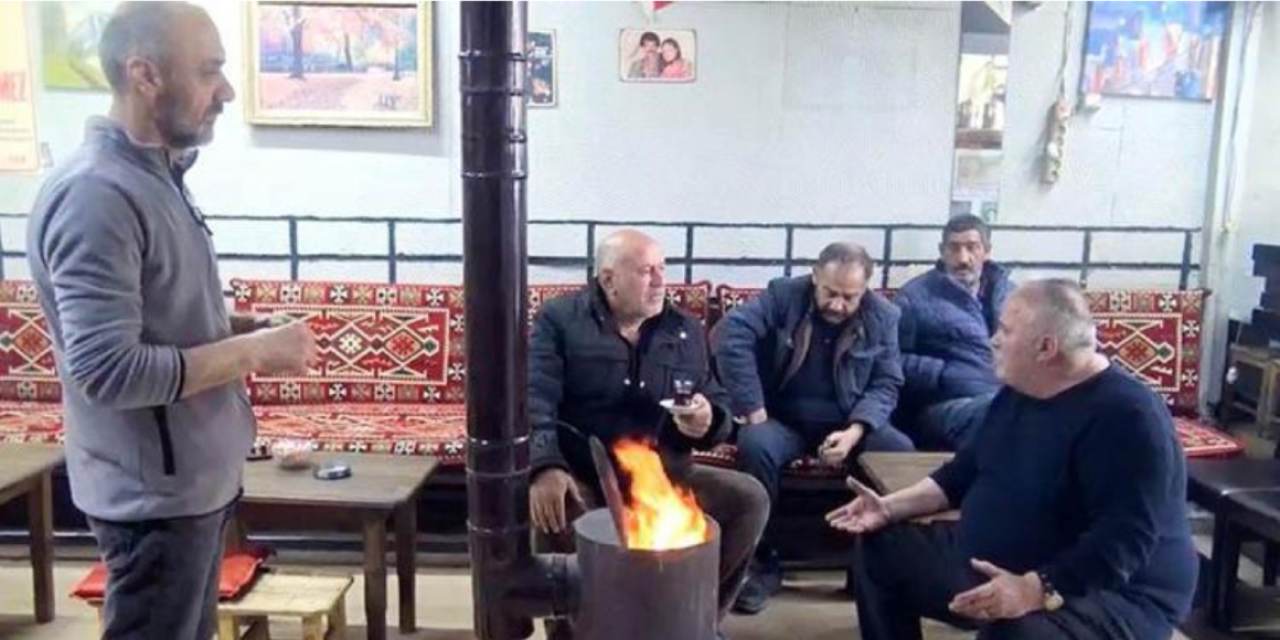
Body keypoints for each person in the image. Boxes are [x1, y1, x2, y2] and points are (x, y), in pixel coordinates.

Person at [25, 4, 317, 639]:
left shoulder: (155, 176)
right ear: (145, 75)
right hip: (152, 499)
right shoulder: (97, 196)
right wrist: (258, 352)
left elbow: (162, 317)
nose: (227, 92)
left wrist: (245, 327)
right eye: (209, 71)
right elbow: (109, 372)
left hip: (184, 487)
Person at [829, 279, 1197, 640]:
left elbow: (1123, 543)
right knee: (884, 548)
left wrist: (1034, 589)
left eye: (1005, 330)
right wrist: (888, 508)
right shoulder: (1021, 391)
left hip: (1108, 593)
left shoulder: (1128, 417)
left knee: (1013, 631)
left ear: (1046, 347)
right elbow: (962, 473)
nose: (994, 340)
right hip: (1006, 563)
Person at [529, 229, 769, 640]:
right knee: (557, 505)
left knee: (748, 499)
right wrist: (545, 466)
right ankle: (576, 632)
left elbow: (716, 402)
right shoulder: (559, 320)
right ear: (608, 279)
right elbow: (534, 397)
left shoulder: (685, 329)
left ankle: (695, 621)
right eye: (645, 271)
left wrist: (708, 420)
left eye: (662, 269)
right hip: (586, 473)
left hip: (666, 475)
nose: (660, 281)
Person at [713, 241, 915, 614]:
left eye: (849, 297)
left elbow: (887, 382)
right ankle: (760, 562)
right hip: (782, 420)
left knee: (898, 452)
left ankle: (870, 566)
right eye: (830, 293)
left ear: (866, 289)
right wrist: (752, 408)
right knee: (755, 444)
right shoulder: (783, 296)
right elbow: (730, 334)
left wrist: (856, 430)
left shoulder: (884, 316)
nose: (837, 305)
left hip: (848, 421)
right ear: (815, 276)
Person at [894, 214, 1013, 450]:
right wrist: (942, 373)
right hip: (943, 405)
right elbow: (889, 358)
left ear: (987, 251)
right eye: (954, 248)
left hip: (1007, 395)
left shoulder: (1013, 295)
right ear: (942, 251)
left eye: (972, 247)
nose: (963, 258)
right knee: (998, 413)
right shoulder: (913, 297)